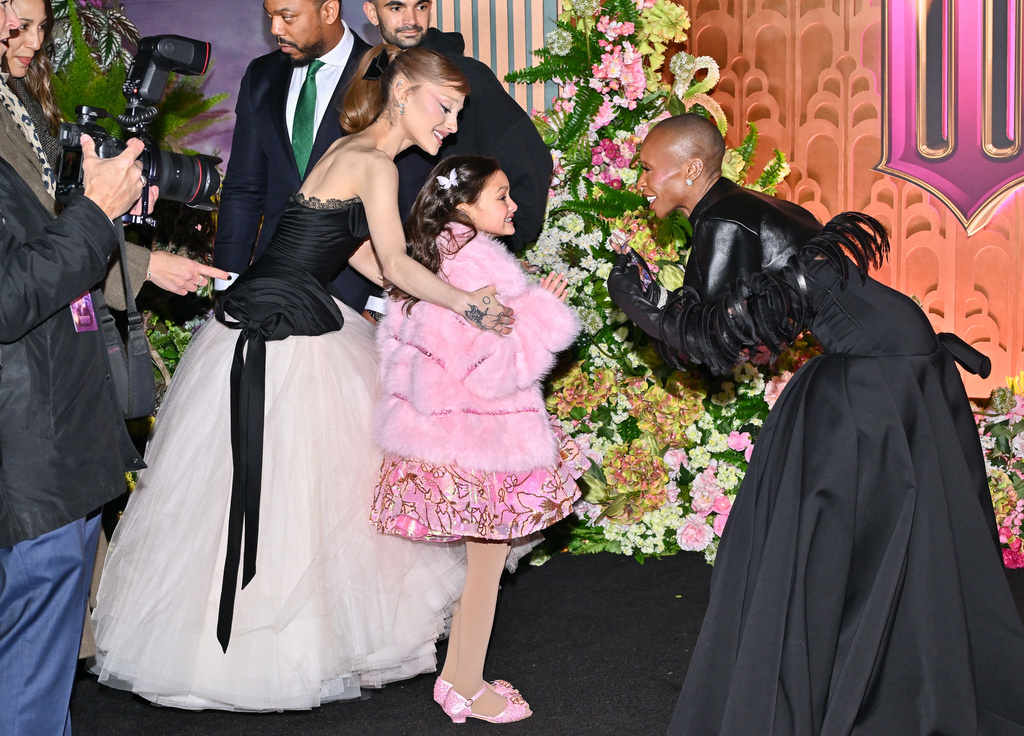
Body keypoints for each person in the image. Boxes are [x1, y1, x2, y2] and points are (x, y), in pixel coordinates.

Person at [91, 45, 519, 712]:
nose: (453, 126)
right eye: (445, 108)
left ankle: (265, 647)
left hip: (278, 319)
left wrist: (437, 304)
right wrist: (467, 305)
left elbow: (356, 253)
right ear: (402, 93)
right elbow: (396, 265)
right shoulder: (373, 162)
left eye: (459, 113)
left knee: (294, 494)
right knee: (299, 493)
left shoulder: (353, 152)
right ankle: (260, 657)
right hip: (283, 332)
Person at [607, 113, 1024, 735]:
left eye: (647, 166)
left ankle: (870, 679)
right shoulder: (735, 209)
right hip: (897, 350)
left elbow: (710, 341)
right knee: (870, 529)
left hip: (881, 366)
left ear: (691, 170)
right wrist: (664, 309)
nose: (639, 179)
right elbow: (743, 323)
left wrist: (639, 303)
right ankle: (884, 666)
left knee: (833, 527)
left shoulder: (726, 218)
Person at [369, 154, 587, 723]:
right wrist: (544, 310)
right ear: (464, 206)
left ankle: (455, 679)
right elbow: (492, 370)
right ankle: (467, 685)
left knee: (481, 567)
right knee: (486, 570)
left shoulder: (430, 256)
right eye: (501, 195)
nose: (514, 206)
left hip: (446, 439)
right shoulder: (471, 268)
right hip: (480, 445)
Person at [0, 3, 156, 733]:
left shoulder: (20, 101)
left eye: (38, 27)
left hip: (50, 434)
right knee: (29, 681)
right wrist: (94, 212)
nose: (29, 44)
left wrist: (101, 207)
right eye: (14, 26)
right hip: (29, 451)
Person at [1, 0, 227, 301]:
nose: (36, 41)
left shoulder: (21, 98)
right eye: (23, 25)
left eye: (41, 27)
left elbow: (57, 209)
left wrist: (115, 201)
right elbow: (37, 236)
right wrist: (146, 265)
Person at [213, 0, 382, 316]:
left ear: (328, 11)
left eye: (287, 17)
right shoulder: (260, 75)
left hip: (356, 295)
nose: (276, 29)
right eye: (270, 17)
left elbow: (405, 197)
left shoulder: (383, 73)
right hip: (271, 288)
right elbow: (243, 188)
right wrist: (227, 281)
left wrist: (381, 301)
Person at [362, 0, 551, 248]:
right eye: (396, 8)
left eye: (420, 7)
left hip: (449, 258)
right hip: (380, 256)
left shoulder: (466, 76)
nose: (411, 20)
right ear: (372, 14)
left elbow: (528, 160)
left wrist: (496, 248)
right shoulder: (368, 76)